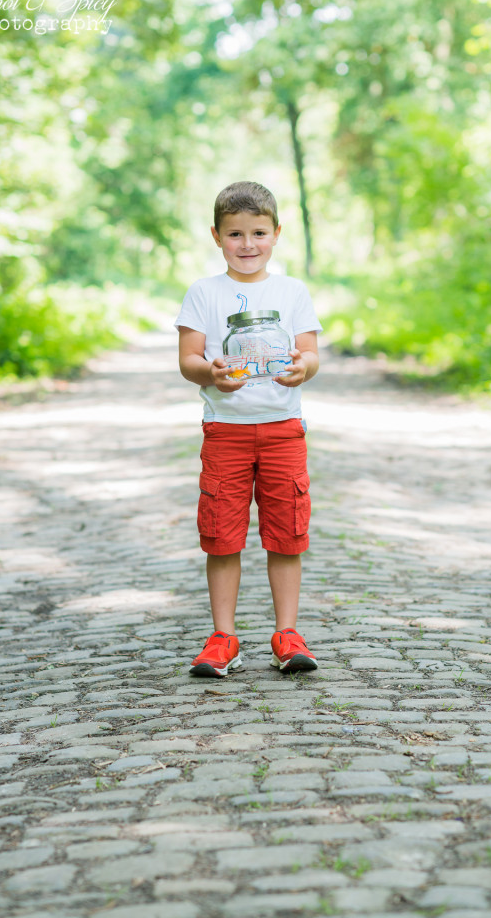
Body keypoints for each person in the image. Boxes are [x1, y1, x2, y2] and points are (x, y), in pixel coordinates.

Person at [175, 180, 322, 677]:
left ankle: (287, 633)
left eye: (258, 232)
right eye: (235, 234)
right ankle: (224, 637)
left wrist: (303, 368)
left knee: (286, 534)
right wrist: (211, 373)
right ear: (216, 236)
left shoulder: (292, 292)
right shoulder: (203, 293)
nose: (247, 244)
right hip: (226, 432)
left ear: (276, 234)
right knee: (222, 535)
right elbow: (188, 360)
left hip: (283, 430)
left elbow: (310, 355)